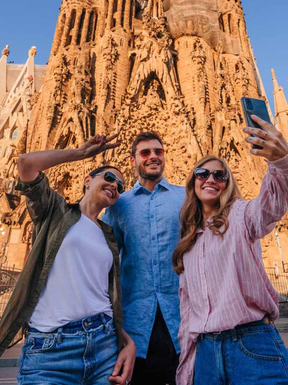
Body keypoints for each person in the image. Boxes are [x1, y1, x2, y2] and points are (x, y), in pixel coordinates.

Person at [0, 134, 136, 385]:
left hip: (104, 345)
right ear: (87, 180)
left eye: (120, 185)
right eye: (109, 177)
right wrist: (80, 153)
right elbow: (26, 164)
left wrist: (128, 343)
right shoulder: (56, 212)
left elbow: (104, 297)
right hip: (51, 349)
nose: (114, 185)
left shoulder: (109, 236)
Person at [173, 115, 288, 385]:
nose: (210, 179)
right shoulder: (188, 245)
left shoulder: (243, 216)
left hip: (252, 346)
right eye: (202, 173)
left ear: (227, 183)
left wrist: (281, 160)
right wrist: (186, 372)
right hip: (205, 354)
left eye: (219, 175)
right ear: (193, 182)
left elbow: (272, 203)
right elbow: (188, 316)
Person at [102, 132, 184, 385]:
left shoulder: (187, 197)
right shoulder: (118, 204)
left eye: (158, 151)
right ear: (133, 160)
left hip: (182, 317)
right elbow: (104, 258)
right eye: (145, 152)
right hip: (136, 324)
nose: (153, 157)